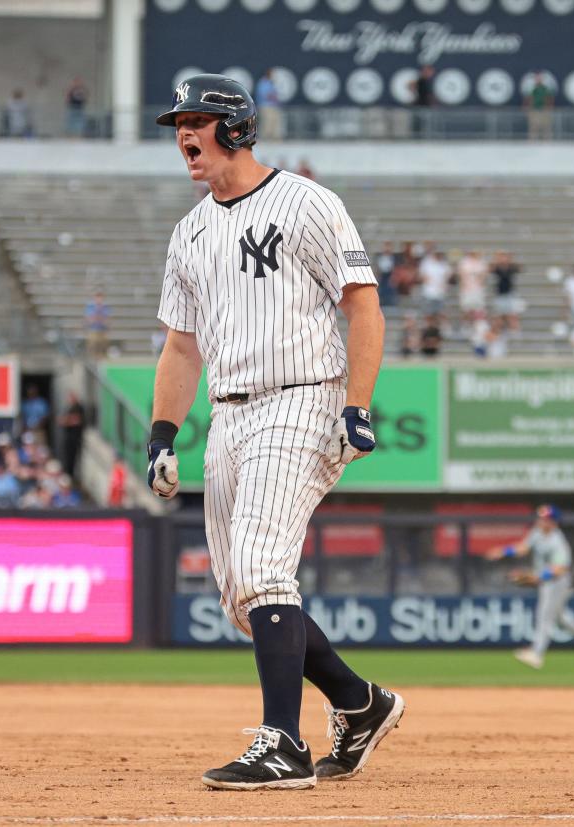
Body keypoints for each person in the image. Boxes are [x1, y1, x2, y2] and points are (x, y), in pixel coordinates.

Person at [149, 74, 404, 791]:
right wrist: (162, 433)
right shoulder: (190, 231)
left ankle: (281, 744)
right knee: (242, 598)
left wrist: (356, 405)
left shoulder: (306, 202)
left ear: (234, 127)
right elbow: (180, 346)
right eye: (177, 124)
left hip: (302, 398)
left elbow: (363, 306)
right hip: (227, 414)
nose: (183, 136)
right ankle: (360, 702)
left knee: (263, 571)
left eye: (196, 120)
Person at [492, 504, 574, 670]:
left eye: (545, 519)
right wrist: (504, 551)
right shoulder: (537, 532)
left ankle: (537, 653)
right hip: (546, 581)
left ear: (554, 522)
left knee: (544, 616)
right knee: (560, 616)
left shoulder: (558, 542)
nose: (541, 521)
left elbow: (560, 568)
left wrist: (537, 577)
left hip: (557, 582)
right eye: (540, 518)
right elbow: (523, 548)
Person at [490, 250, 521, 332]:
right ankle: (498, 332)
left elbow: (519, 269)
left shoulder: (512, 267)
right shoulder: (497, 268)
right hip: (499, 294)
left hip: (510, 294)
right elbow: (491, 269)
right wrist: (497, 259)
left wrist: (509, 261)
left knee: (512, 315)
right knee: (498, 316)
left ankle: (514, 332)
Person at [523, 72, 554, 140]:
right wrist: (528, 107)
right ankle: (532, 140)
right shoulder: (533, 89)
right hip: (534, 110)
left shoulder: (545, 89)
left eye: (539, 79)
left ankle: (546, 140)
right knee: (534, 127)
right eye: (537, 79)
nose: (538, 80)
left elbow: (549, 98)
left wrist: (548, 107)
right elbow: (529, 99)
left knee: (545, 126)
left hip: (544, 110)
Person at [255, 70, 283, 141]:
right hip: (265, 106)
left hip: (273, 105)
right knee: (267, 121)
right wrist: (273, 96)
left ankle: (274, 137)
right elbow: (264, 95)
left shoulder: (271, 83)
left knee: (275, 121)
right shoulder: (263, 83)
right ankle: (265, 138)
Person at [85, 290, 111, 359]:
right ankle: (91, 357)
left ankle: (102, 357)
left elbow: (106, 320)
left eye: (100, 297)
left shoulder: (105, 307)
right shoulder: (90, 306)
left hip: (102, 329)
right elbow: (90, 319)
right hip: (93, 329)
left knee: (103, 343)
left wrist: (99, 317)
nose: (99, 299)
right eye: (97, 297)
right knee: (93, 342)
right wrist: (98, 315)